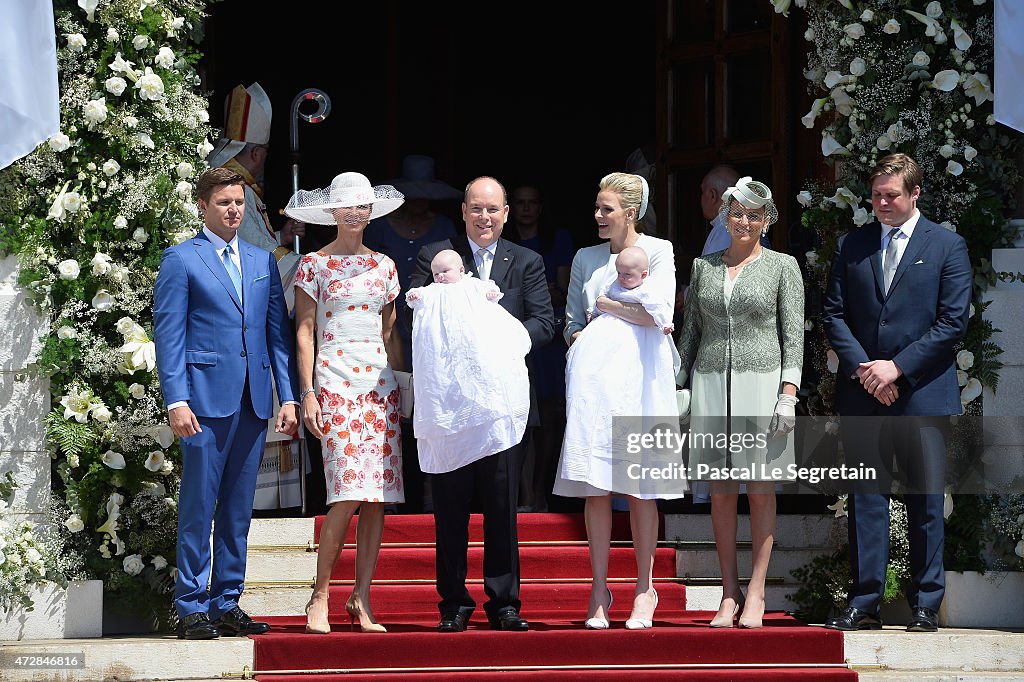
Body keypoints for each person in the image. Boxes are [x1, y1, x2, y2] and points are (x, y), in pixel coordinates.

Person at [822, 153, 971, 633]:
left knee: (926, 502)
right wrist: (869, 371)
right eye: (877, 195)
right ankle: (865, 601)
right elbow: (834, 314)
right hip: (865, 394)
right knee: (867, 498)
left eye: (892, 195)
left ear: (915, 194)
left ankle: (926, 602)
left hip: (923, 394)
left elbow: (952, 323)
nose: (882, 203)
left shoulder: (947, 246)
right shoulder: (853, 245)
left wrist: (897, 369)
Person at [153, 167, 299, 640]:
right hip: (202, 400)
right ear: (203, 206)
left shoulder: (261, 261)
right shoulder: (182, 259)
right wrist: (175, 398)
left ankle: (226, 601)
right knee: (199, 504)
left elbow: (276, 335)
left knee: (238, 508)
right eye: (224, 203)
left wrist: (289, 396)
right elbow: (169, 335)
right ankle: (191, 604)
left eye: (238, 202)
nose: (233, 210)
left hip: (254, 400)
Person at [408, 175, 555, 633]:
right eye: (476, 208)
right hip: (451, 408)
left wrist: (496, 346)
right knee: (449, 509)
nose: (484, 217)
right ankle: (453, 601)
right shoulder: (436, 255)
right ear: (464, 212)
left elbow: (544, 323)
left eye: (493, 209)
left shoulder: (526, 261)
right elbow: (413, 314)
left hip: (503, 407)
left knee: (501, 507)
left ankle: (504, 601)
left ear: (506, 212)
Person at [554, 172, 683, 630]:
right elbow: (570, 318)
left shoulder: (660, 250)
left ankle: (645, 587)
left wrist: (607, 308)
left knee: (640, 485)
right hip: (595, 381)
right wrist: (581, 345)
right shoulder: (586, 257)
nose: (598, 216)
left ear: (631, 212)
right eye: (596, 207)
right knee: (596, 485)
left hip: (642, 378)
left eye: (606, 208)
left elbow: (658, 312)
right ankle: (598, 588)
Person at [675, 176, 804, 630]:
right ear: (725, 216)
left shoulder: (783, 266)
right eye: (737, 212)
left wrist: (789, 394)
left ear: (766, 221)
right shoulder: (703, 266)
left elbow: (793, 336)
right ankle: (728, 593)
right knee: (721, 491)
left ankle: (756, 591)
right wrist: (676, 385)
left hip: (762, 386)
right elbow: (690, 334)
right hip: (710, 384)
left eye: (754, 214)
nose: (744, 221)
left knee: (759, 488)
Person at [285, 172, 407, 634]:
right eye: (347, 206)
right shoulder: (313, 264)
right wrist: (308, 392)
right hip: (334, 384)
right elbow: (304, 332)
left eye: (363, 206)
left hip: (379, 389)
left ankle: (362, 598)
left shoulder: (386, 265)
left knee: (377, 497)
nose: (355, 214)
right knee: (347, 492)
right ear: (332, 212)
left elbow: (389, 332)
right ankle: (320, 594)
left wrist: (404, 388)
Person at [208, 82, 304, 512]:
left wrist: (282, 238)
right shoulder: (236, 189)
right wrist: (310, 267)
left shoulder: (235, 183)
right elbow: (263, 266)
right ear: (256, 152)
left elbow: (262, 247)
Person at [364, 154, 461, 513]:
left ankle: (431, 492)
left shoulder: (444, 228)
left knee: (431, 407)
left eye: (426, 194)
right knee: (389, 407)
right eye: (413, 193)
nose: (420, 200)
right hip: (383, 327)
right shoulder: (378, 228)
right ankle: (389, 490)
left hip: (432, 329)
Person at [407, 249, 532, 476]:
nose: (440, 277)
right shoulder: (432, 291)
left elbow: (489, 290)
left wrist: (491, 294)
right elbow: (416, 296)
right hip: (442, 362)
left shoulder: (471, 285)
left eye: (445, 271)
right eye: (436, 274)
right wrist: (415, 296)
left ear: (462, 270)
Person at [506, 183, 575, 512]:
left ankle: (540, 490)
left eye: (532, 202)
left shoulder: (557, 239)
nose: (526, 208)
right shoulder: (506, 243)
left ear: (540, 207)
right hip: (511, 335)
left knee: (548, 415)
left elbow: (562, 291)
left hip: (547, 336)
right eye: (520, 202)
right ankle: (523, 496)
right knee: (518, 415)